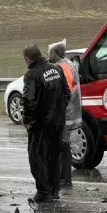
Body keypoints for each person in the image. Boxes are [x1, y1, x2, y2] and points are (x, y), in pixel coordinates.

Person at [22, 45, 71, 202]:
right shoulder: (56, 69)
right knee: (53, 156)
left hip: (41, 123)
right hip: (58, 121)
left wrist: (28, 121)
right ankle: (54, 189)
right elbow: (67, 93)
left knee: (36, 157)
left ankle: (44, 191)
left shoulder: (31, 75)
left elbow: (28, 101)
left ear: (28, 59)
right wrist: (58, 111)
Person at [48, 40, 82, 187]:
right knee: (64, 144)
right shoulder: (70, 64)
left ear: (55, 53)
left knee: (62, 145)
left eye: (50, 52)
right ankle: (64, 177)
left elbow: (65, 88)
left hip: (64, 111)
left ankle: (64, 177)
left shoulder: (60, 67)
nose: (48, 54)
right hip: (71, 109)